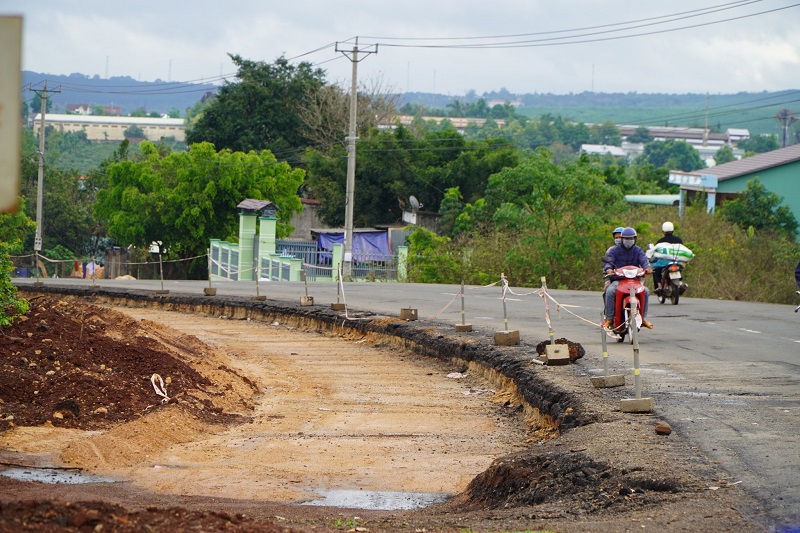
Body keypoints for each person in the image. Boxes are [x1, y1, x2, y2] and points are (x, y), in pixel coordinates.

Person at [603, 227, 653, 329]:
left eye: (631, 238)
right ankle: (609, 319)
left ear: (635, 239)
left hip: (634, 280)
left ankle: (642, 318)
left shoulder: (638, 250)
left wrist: (647, 268)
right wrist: (609, 269)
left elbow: (643, 260)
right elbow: (608, 262)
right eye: (626, 238)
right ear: (622, 239)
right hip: (618, 280)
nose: (628, 241)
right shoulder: (614, 250)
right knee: (610, 291)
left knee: (646, 291)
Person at [652, 221, 683, 294]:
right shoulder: (678, 240)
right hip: (676, 261)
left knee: (656, 271)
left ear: (663, 231)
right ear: (673, 230)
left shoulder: (660, 241)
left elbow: (656, 253)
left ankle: (659, 286)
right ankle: (679, 283)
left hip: (664, 263)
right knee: (680, 268)